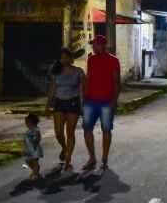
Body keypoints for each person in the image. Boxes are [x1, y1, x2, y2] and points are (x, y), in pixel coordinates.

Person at [82, 35, 120, 171]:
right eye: (93, 44)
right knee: (87, 129)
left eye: (96, 44)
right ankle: (92, 158)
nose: (94, 47)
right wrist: (84, 96)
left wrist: (114, 101)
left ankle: (104, 158)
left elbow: (116, 81)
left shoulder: (113, 60)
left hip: (106, 101)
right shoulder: (91, 59)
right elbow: (89, 78)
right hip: (91, 100)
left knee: (106, 129)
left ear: (103, 45)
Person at [46, 48, 86, 171]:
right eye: (61, 58)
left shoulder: (78, 71)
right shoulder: (56, 71)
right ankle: (64, 147)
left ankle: (68, 159)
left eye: (66, 58)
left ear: (71, 58)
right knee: (58, 132)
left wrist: (84, 105)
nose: (64, 60)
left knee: (70, 132)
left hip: (73, 103)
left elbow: (83, 90)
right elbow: (52, 89)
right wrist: (47, 105)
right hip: (59, 103)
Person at [22, 113, 43, 179]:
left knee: (35, 162)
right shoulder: (29, 131)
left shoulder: (35, 129)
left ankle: (36, 174)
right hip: (28, 150)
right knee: (28, 161)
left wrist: (35, 139)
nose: (25, 124)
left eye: (26, 122)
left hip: (35, 149)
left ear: (30, 123)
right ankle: (34, 170)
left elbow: (38, 137)